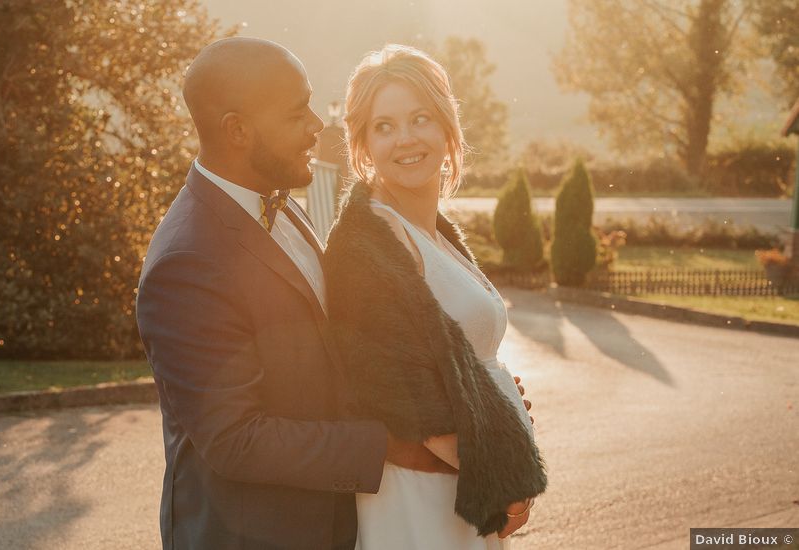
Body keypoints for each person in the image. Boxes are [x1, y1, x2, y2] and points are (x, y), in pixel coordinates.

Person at [135, 37, 454, 550]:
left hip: (335, 526)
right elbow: (236, 439)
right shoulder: (186, 261)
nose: (317, 125)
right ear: (237, 130)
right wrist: (394, 447)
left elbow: (337, 349)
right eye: (295, 113)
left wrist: (466, 396)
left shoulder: (285, 205)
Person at [323, 44, 548, 550]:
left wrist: (495, 405)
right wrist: (506, 480)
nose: (405, 139)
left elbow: (454, 355)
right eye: (384, 126)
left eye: (420, 118)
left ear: (448, 127)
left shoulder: (432, 231)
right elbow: (406, 399)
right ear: (362, 144)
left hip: (461, 489)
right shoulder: (366, 243)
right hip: (422, 501)